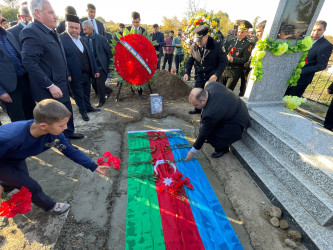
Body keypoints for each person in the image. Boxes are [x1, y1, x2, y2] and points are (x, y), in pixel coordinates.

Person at [0, 99, 110, 214]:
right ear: (43, 126)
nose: (66, 127)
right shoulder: (11, 137)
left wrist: (94, 166)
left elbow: (71, 151)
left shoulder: (54, 135)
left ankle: (3, 187)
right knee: (31, 186)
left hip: (15, 157)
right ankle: (50, 206)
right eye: (62, 125)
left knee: (21, 179)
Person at [20, 0, 83, 140]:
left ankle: (69, 134)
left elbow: (58, 57)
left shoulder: (50, 31)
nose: (55, 16)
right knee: (54, 118)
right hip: (50, 89)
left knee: (65, 112)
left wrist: (66, 74)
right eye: (51, 12)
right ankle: (60, 142)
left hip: (61, 84)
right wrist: (49, 85)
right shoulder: (31, 32)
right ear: (38, 13)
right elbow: (29, 62)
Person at [185, 82, 251, 160]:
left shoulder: (211, 112)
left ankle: (222, 148)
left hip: (237, 120)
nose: (194, 107)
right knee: (208, 128)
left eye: (196, 105)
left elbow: (203, 132)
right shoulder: (211, 86)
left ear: (203, 100)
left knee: (212, 134)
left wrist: (193, 151)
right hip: (233, 109)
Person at [60, 15, 101, 121]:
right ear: (66, 26)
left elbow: (90, 56)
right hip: (74, 75)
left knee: (87, 91)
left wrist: (95, 70)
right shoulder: (61, 40)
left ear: (80, 29)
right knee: (78, 94)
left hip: (87, 73)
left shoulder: (83, 39)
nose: (74, 30)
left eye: (76, 28)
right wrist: (67, 73)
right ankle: (83, 111)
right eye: (71, 27)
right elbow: (61, 59)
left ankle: (88, 107)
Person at [183, 25, 228, 114]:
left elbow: (224, 62)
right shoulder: (194, 47)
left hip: (212, 75)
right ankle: (198, 110)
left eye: (200, 40)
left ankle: (209, 113)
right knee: (197, 94)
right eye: (197, 40)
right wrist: (186, 72)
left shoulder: (216, 45)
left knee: (210, 97)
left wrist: (216, 75)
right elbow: (190, 61)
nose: (198, 43)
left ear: (206, 36)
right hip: (200, 75)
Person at [285, 21, 333, 97]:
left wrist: (302, 71)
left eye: (319, 30)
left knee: (288, 101)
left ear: (324, 30)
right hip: (287, 75)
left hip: (301, 80)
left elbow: (322, 65)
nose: (315, 32)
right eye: (313, 30)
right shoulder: (302, 38)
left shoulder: (326, 45)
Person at [0, 22, 35, 122]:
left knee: (31, 115)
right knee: (18, 119)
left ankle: (32, 138)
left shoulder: (8, 34)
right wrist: (1, 91)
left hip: (24, 80)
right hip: (9, 87)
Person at [82, 20, 112, 108]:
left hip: (101, 66)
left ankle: (102, 100)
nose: (84, 32)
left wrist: (110, 65)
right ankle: (109, 90)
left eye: (85, 29)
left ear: (91, 29)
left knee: (99, 84)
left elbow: (109, 53)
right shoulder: (84, 39)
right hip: (92, 67)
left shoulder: (101, 38)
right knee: (94, 84)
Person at [222, 20, 254, 92]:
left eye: (242, 32)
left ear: (246, 33)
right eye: (239, 31)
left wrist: (233, 59)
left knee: (227, 92)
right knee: (220, 89)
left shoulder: (248, 44)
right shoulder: (231, 39)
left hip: (235, 71)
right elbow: (224, 49)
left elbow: (245, 59)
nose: (239, 33)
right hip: (225, 69)